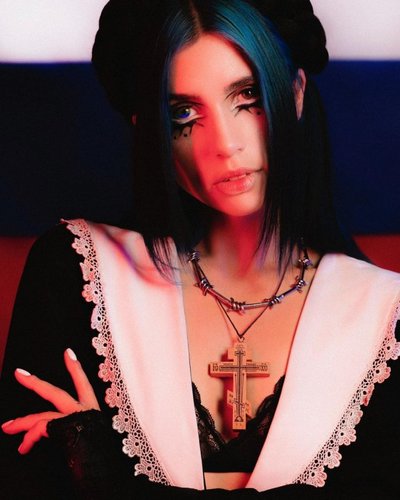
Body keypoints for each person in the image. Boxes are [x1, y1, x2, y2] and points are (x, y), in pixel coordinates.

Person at [1, 0, 399, 498]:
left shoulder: (384, 315)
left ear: (296, 93)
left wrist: (111, 478)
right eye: (184, 113)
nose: (225, 144)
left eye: (248, 96)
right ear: (147, 127)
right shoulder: (77, 274)